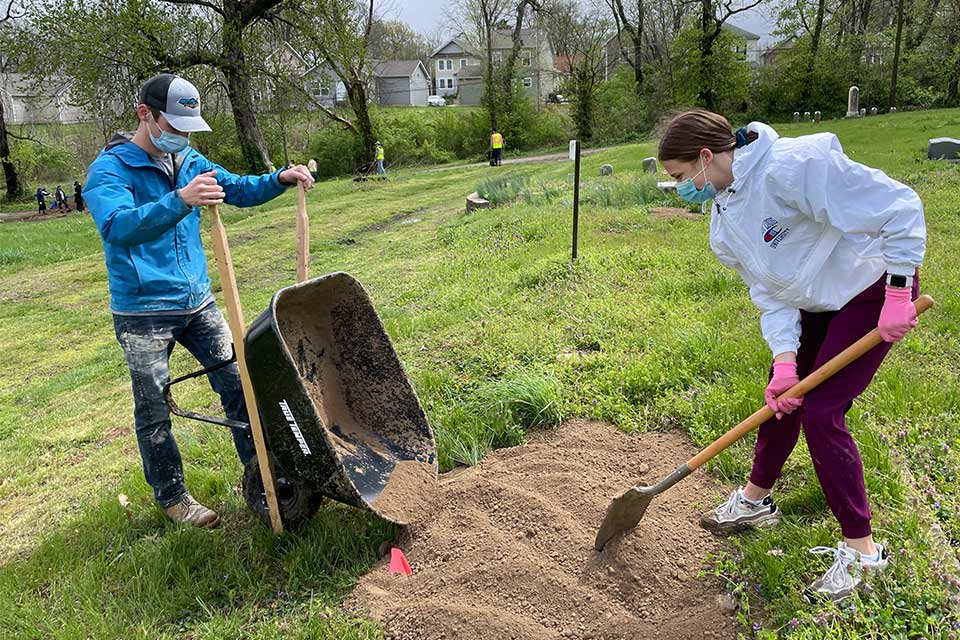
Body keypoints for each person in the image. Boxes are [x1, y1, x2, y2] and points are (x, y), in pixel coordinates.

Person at [658, 110, 925, 602]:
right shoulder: (724, 223)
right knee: (782, 399)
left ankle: (863, 554)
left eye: (679, 177)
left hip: (869, 289)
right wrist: (785, 360)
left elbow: (899, 206)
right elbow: (771, 293)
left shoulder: (793, 165)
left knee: (822, 411)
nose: (681, 189)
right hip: (815, 302)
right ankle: (756, 500)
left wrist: (898, 291)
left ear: (705, 157)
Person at [83, 73, 315, 529]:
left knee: (240, 384)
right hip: (143, 311)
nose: (182, 137)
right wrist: (180, 200)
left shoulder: (189, 158)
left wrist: (279, 178)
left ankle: (266, 476)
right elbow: (117, 226)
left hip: (198, 301)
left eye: (189, 128)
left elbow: (238, 188)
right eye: (175, 126)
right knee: (153, 406)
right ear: (144, 114)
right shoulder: (110, 170)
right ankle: (172, 497)